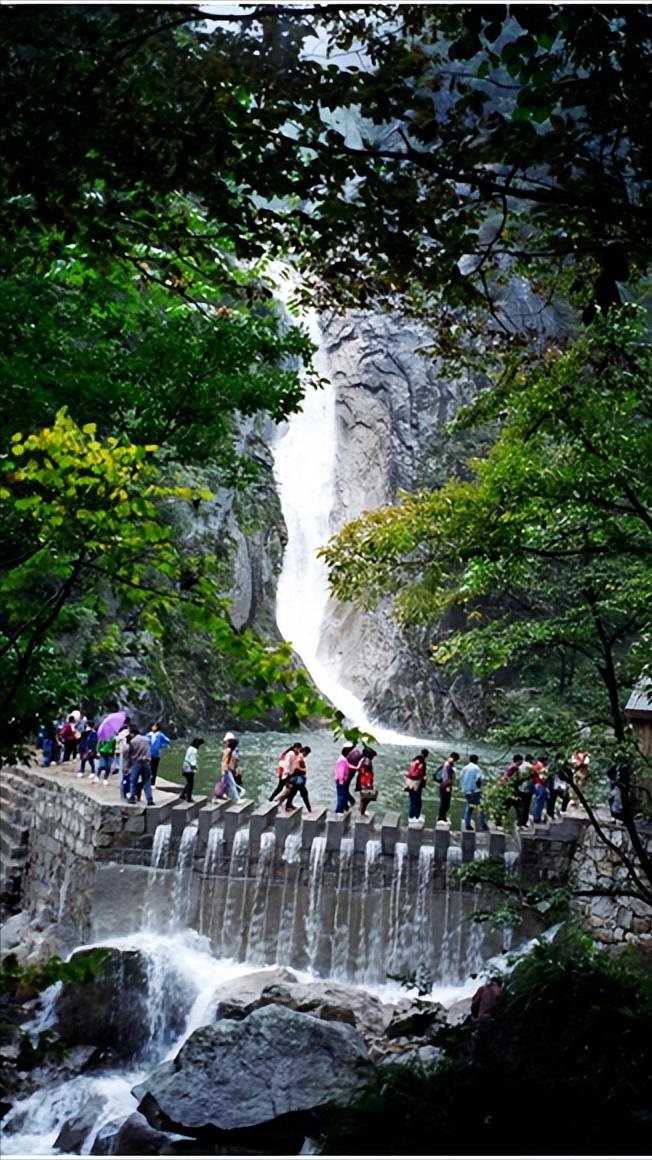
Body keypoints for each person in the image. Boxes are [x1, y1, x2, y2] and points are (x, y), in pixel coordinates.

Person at [125, 726, 154, 806]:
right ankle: (150, 800)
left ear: (133, 733)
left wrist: (127, 767)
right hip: (147, 763)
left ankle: (132, 798)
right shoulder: (147, 739)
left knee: (133, 781)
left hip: (137, 763)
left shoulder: (133, 742)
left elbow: (129, 755)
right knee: (147, 782)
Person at [279, 745, 313, 813]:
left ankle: (288, 805)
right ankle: (309, 810)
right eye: (307, 753)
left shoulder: (298, 756)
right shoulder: (300, 757)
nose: (307, 755)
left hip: (296, 779)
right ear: (305, 751)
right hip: (298, 779)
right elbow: (296, 767)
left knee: (293, 793)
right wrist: (304, 770)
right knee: (304, 794)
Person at [460, 754, 489, 831]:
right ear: (477, 760)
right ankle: (484, 826)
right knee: (481, 808)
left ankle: (467, 824)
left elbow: (461, 778)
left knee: (469, 807)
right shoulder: (477, 769)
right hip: (475, 791)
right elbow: (478, 780)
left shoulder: (464, 768)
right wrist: (479, 788)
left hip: (466, 791)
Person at [215, 736, 243, 802]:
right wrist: (224, 770)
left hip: (226, 770)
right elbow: (224, 761)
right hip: (226, 770)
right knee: (231, 784)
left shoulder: (229, 750)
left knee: (223, 784)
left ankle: (216, 798)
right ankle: (237, 799)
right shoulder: (228, 750)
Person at [334, 744, 359, 814]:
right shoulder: (342, 760)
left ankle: (343, 809)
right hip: (340, 780)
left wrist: (356, 768)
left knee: (343, 795)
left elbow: (348, 765)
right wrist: (342, 781)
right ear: (347, 753)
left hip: (341, 780)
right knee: (341, 796)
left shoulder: (343, 759)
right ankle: (338, 811)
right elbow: (341, 771)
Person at [405, 749, 428, 821]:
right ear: (426, 755)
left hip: (410, 783)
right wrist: (423, 778)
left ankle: (415, 816)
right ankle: (412, 817)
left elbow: (410, 772)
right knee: (416, 801)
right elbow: (418, 774)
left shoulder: (413, 760)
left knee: (414, 800)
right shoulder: (421, 762)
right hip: (416, 784)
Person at [437, 751, 459, 823]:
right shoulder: (448, 765)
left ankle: (442, 817)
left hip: (443, 785)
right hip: (445, 786)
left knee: (445, 802)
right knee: (445, 803)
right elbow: (448, 777)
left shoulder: (446, 763)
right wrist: (448, 786)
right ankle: (441, 818)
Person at [356, 747, 378, 817]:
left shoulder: (362, 760)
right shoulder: (366, 761)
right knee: (366, 798)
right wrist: (368, 782)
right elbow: (363, 771)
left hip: (364, 780)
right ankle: (362, 812)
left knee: (363, 796)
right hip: (366, 781)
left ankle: (361, 809)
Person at [180, 737, 204, 802]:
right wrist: (195, 768)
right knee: (191, 783)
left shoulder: (190, 748)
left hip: (185, 766)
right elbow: (193, 761)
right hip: (189, 768)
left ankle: (183, 794)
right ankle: (189, 797)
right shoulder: (194, 750)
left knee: (189, 782)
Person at [532, 756, 550, 823]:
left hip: (536, 785)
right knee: (540, 802)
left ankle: (538, 816)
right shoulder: (541, 767)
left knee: (539, 802)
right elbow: (543, 778)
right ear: (544, 761)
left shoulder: (536, 765)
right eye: (547, 761)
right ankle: (537, 817)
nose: (548, 762)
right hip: (540, 785)